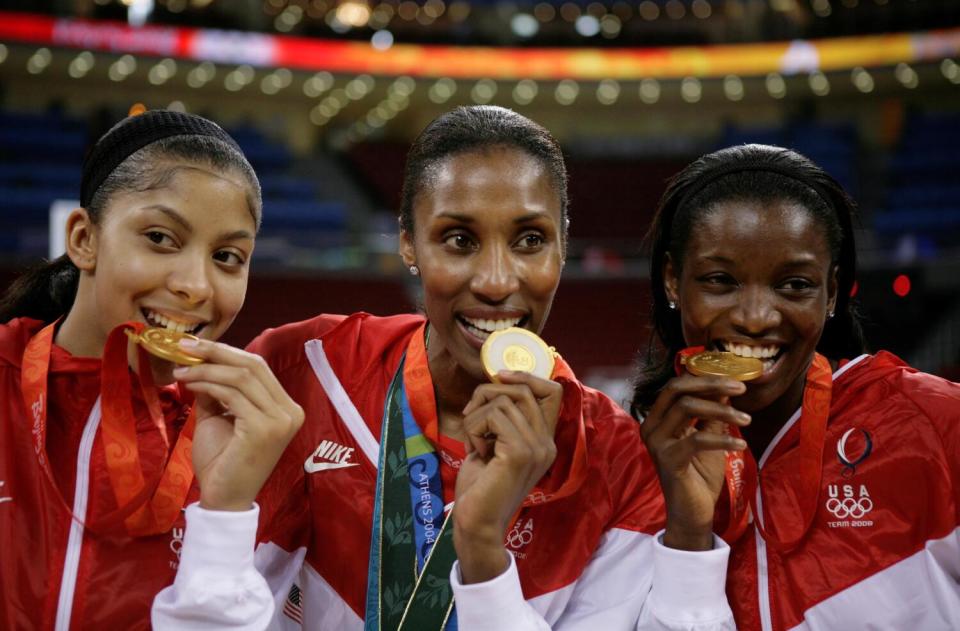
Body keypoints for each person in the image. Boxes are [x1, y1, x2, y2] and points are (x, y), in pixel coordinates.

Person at [154, 105, 738, 630]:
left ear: (563, 247)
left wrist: (484, 552)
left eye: (530, 240)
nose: (495, 281)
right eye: (459, 240)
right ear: (409, 244)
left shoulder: (619, 464)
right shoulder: (308, 371)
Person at [632, 143, 960, 630]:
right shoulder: (633, 466)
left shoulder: (940, 426)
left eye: (795, 285)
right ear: (674, 282)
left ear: (832, 291)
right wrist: (687, 531)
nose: (756, 318)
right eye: (721, 280)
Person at [0, 109, 303, 630]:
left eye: (228, 256)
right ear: (83, 239)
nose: (196, 286)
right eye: (160, 238)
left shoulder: (244, 445)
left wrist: (226, 509)